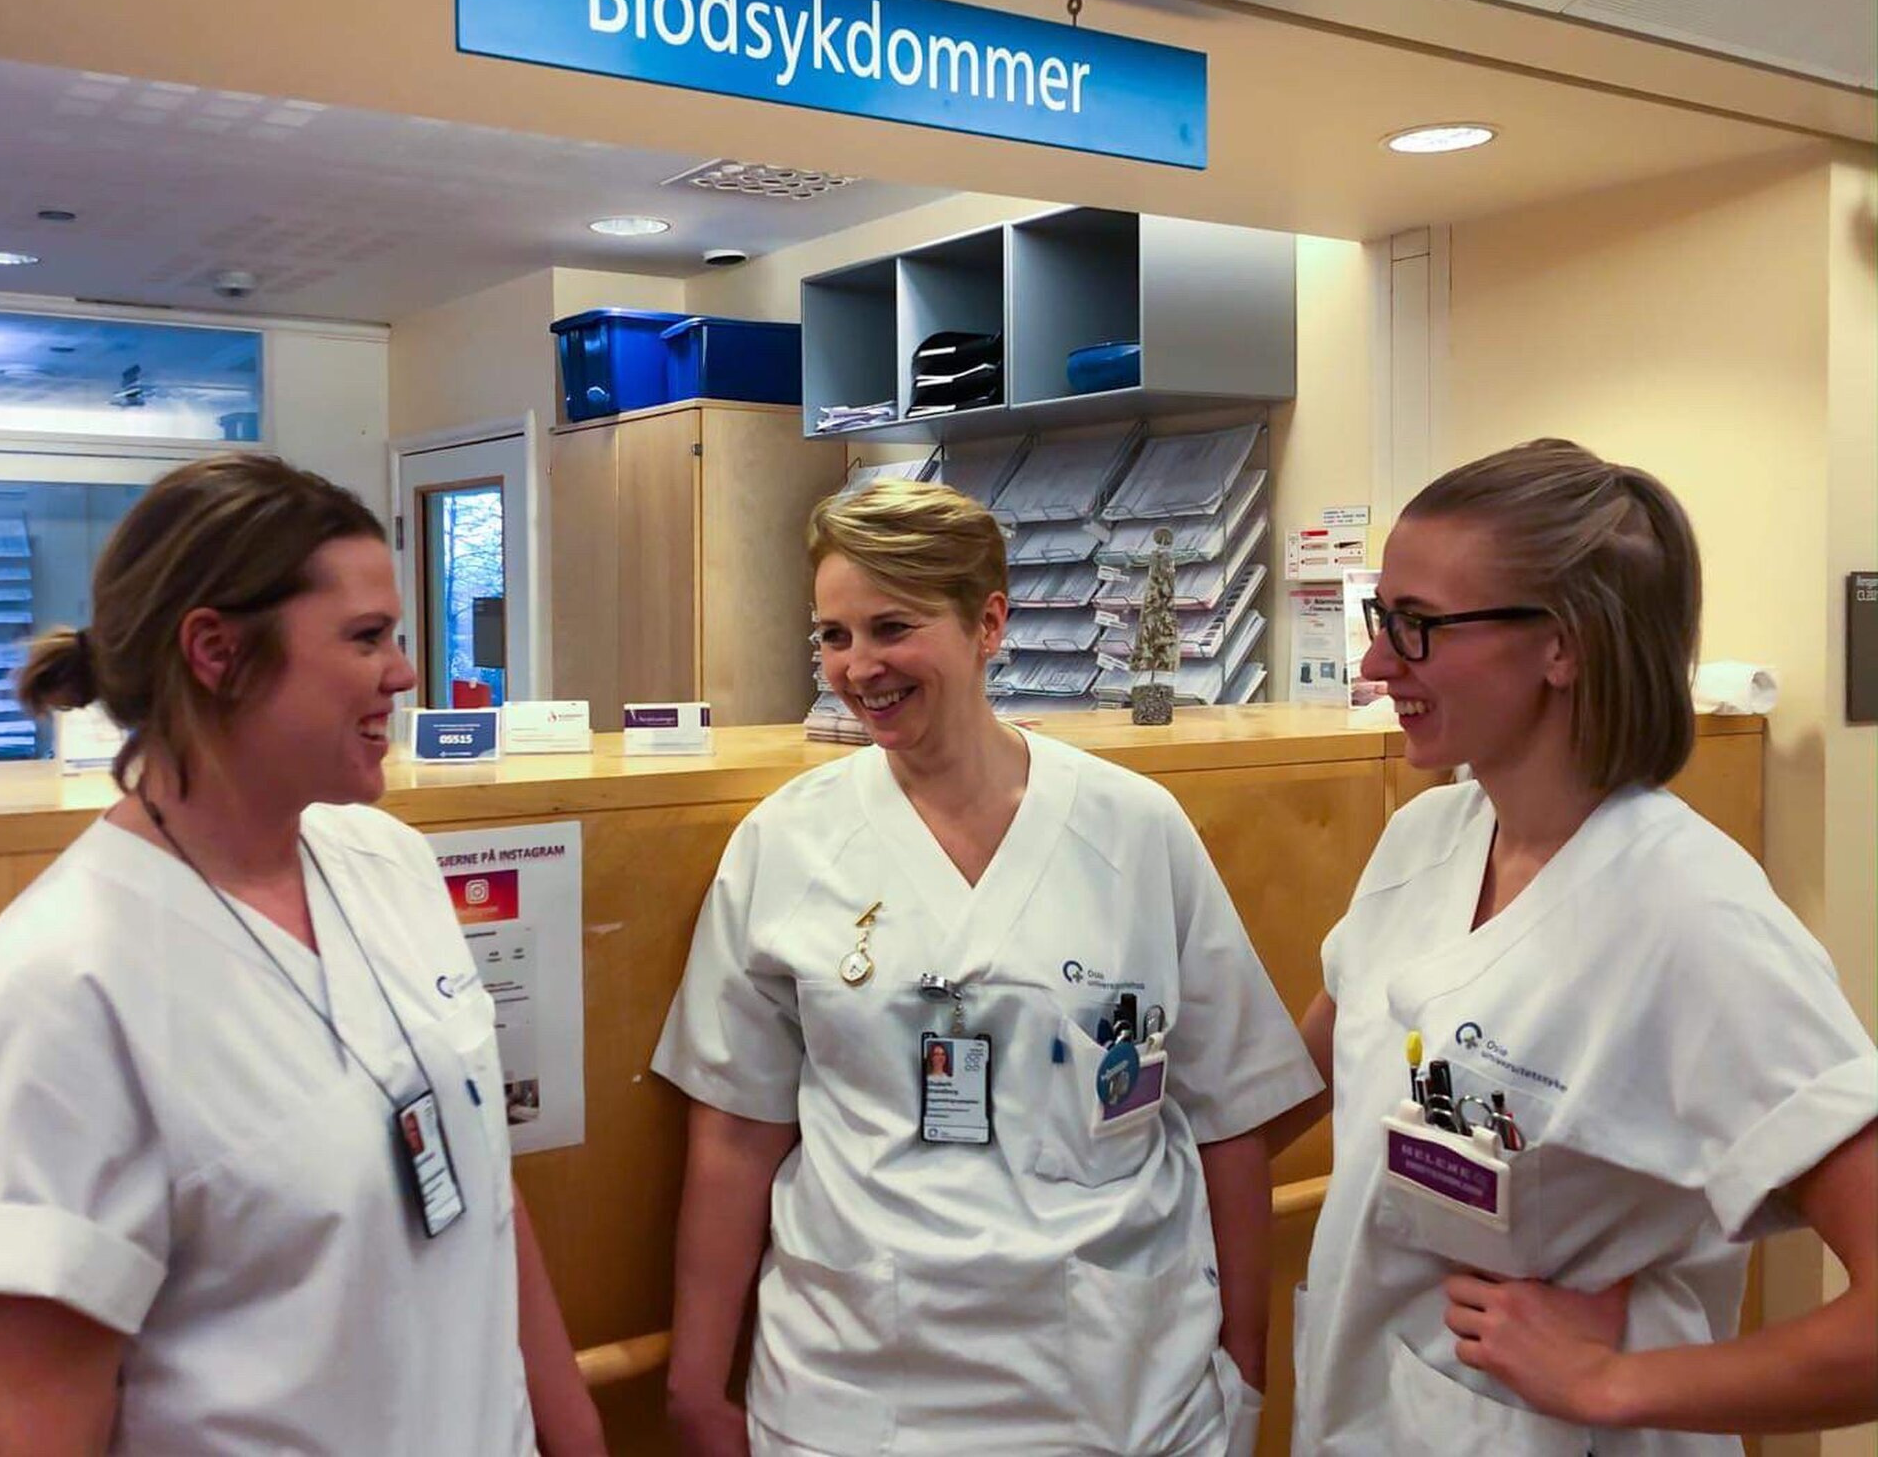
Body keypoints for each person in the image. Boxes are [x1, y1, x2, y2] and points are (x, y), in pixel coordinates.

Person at [0, 454, 606, 1456]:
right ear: (217, 651)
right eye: (367, 638)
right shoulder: (56, 995)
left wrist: (571, 1429)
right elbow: (44, 1423)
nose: (404, 672)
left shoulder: (389, 864)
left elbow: (483, 1192)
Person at [653, 480, 1321, 1456]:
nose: (857, 667)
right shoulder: (784, 847)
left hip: (1115, 1382)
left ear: (989, 624)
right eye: (832, 636)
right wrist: (691, 1382)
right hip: (857, 1383)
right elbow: (733, 1135)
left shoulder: (1131, 831)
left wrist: (1244, 1364)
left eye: (890, 628)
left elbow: (1225, 1119)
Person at [1273, 440, 1877, 1453]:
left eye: (1414, 627)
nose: (1375, 665)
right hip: (1379, 1413)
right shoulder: (1425, 837)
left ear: (1564, 646)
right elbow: (1316, 1064)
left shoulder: (1690, 919)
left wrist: (1611, 1380)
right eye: (1381, 621)